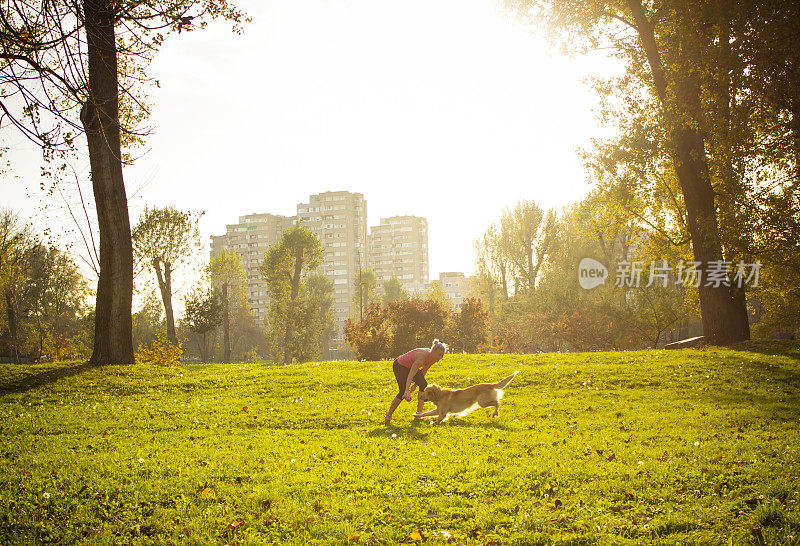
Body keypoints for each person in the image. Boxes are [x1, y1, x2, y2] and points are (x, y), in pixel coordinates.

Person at [384, 339, 447, 422]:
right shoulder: (422, 357)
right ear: (434, 351)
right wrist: (407, 390)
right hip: (400, 366)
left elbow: (424, 370)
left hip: (410, 368)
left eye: (442, 355)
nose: (440, 358)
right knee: (402, 391)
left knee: (423, 384)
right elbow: (411, 374)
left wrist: (415, 385)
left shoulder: (433, 358)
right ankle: (388, 415)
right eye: (439, 355)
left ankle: (419, 413)